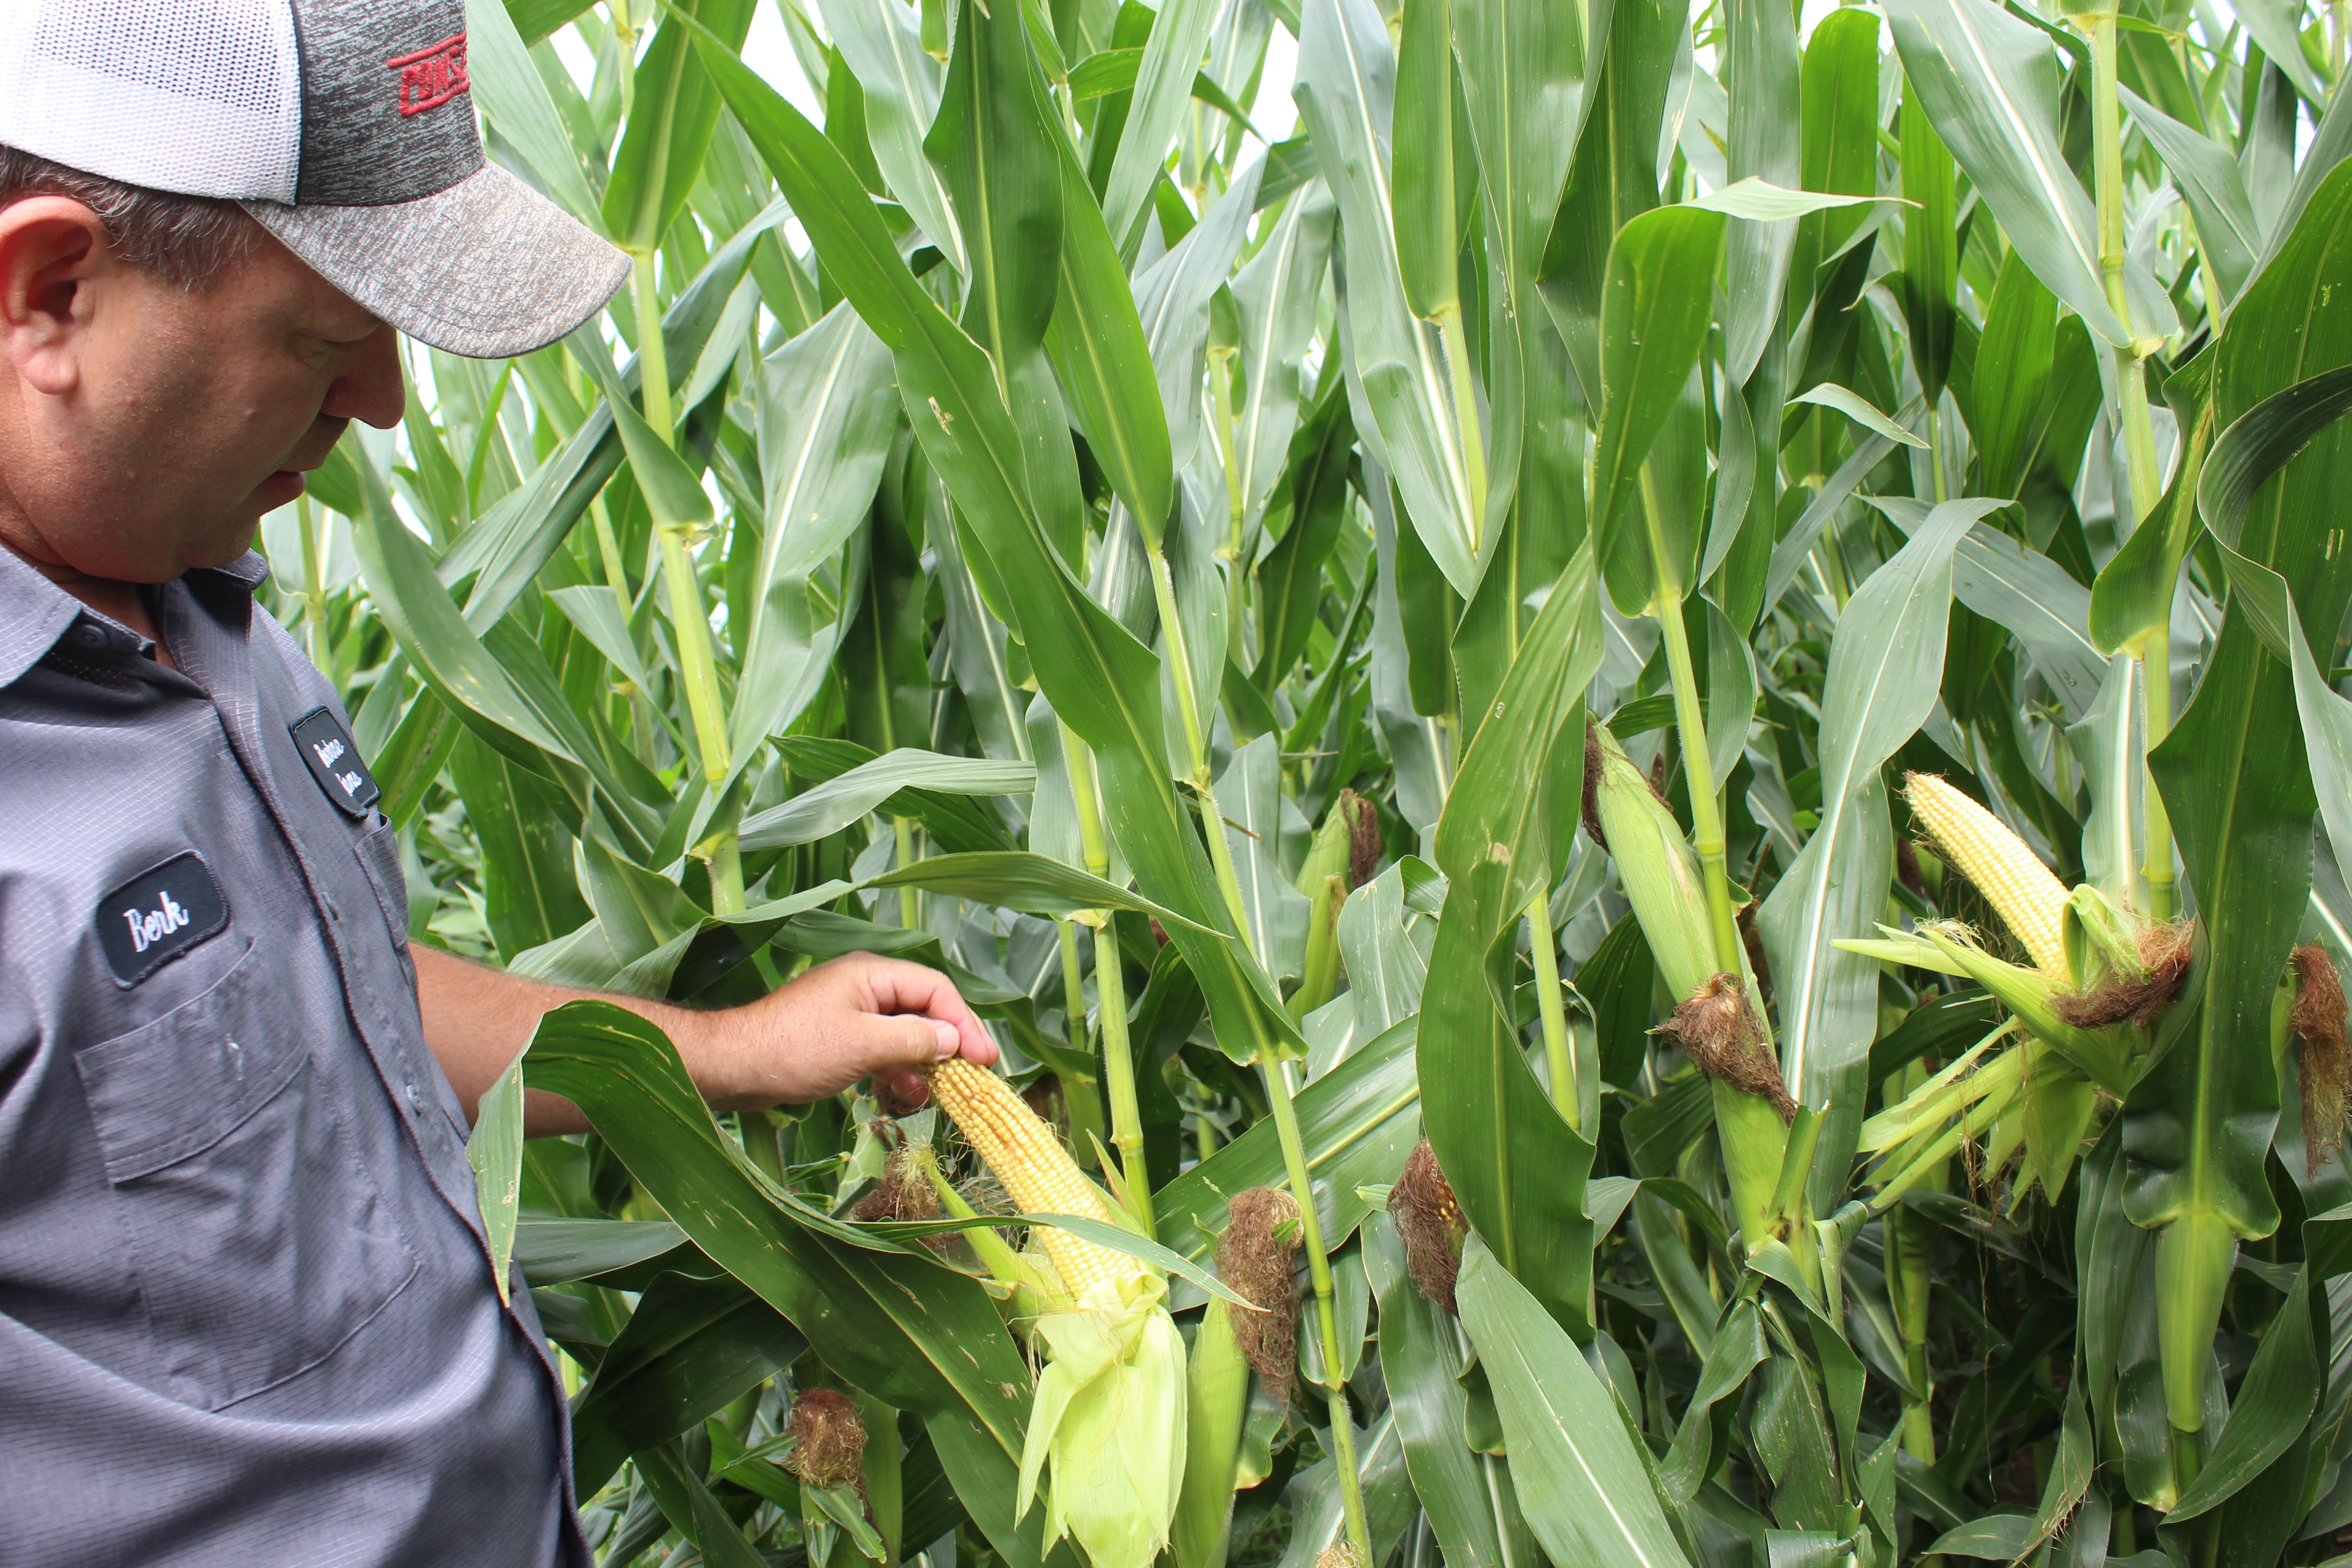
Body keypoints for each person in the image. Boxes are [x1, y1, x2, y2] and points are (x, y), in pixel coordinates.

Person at [0, 0, 996, 1561]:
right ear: (49, 292)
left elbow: (319, 1010)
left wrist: (725, 1051)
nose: (385, 403)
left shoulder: (201, 599)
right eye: (328, 340)